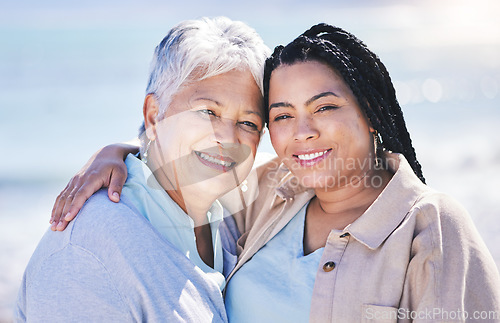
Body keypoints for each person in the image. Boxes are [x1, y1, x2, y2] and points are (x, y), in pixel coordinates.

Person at [49, 24, 500, 322]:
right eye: (282, 115)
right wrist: (124, 153)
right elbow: (187, 174)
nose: (302, 132)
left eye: (324, 107)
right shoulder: (272, 193)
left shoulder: (432, 227)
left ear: (371, 114)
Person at [15, 16, 269, 322]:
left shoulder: (226, 215)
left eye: (248, 123)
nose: (228, 139)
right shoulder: (90, 256)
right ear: (153, 117)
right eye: (207, 112)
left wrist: (120, 148)